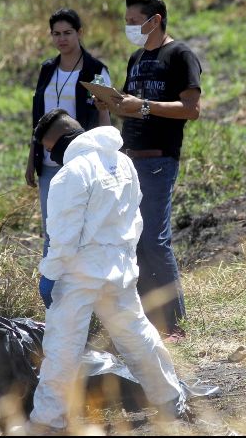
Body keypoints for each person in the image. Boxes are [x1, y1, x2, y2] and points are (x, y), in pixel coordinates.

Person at [27, 109, 191, 433]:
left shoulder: (70, 174)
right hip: (119, 270)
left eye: (50, 148)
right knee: (138, 336)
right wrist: (127, 261)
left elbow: (63, 235)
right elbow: (135, 219)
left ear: (62, 140)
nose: (50, 155)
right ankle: (170, 400)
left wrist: (50, 273)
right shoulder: (124, 163)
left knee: (62, 348)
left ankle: (48, 422)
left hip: (78, 273)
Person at [110, 0, 202, 342]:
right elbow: (131, 106)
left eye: (134, 21)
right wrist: (114, 102)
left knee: (155, 240)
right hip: (130, 158)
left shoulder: (180, 55)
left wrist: (143, 105)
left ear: (156, 20)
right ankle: (149, 318)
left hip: (159, 159)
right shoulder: (136, 57)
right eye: (128, 21)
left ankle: (175, 322)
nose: (129, 27)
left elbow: (191, 109)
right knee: (135, 239)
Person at [25, 8, 111, 259]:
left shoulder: (95, 70)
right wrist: (32, 159)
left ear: (79, 33)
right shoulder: (47, 69)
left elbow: (106, 114)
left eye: (68, 33)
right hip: (49, 163)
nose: (62, 39)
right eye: (56, 34)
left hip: (80, 162)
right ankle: (51, 285)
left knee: (80, 227)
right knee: (52, 228)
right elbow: (37, 118)